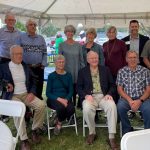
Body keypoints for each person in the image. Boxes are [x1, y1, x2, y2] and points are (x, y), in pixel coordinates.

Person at [0, 45, 46, 150]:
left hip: (26, 94)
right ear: (11, 55)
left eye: (21, 53)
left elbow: (34, 80)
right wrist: (5, 84)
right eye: (17, 54)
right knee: (18, 109)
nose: (20, 56)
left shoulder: (25, 66)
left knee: (41, 105)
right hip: (13, 95)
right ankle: (24, 139)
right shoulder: (3, 67)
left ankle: (35, 130)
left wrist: (32, 92)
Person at [77, 51, 118, 149]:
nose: (94, 60)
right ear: (87, 60)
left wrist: (108, 94)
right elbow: (78, 87)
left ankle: (111, 137)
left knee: (112, 106)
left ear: (98, 58)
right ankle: (92, 132)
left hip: (104, 97)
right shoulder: (82, 71)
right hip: (90, 97)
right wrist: (86, 96)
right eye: (91, 58)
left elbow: (113, 85)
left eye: (95, 57)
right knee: (86, 108)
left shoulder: (105, 69)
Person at [117, 50, 150, 135]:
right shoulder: (121, 71)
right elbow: (120, 89)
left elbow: (148, 90)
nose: (132, 60)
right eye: (130, 58)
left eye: (134, 57)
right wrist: (129, 100)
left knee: (148, 109)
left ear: (138, 59)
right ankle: (127, 129)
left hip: (143, 98)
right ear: (126, 59)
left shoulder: (145, 71)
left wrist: (139, 101)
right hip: (126, 99)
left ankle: (147, 132)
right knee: (120, 107)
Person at [18, 19, 47, 100]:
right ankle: (27, 109)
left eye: (34, 25)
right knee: (27, 87)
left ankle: (38, 105)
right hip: (26, 67)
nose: (33, 26)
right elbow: (18, 52)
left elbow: (45, 52)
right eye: (31, 24)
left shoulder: (41, 38)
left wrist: (43, 64)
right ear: (26, 26)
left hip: (39, 67)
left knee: (39, 87)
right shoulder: (21, 37)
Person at [46, 54, 75, 135]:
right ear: (55, 63)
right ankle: (59, 124)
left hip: (66, 98)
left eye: (63, 62)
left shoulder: (68, 75)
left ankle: (58, 120)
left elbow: (71, 91)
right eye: (59, 62)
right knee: (61, 108)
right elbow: (48, 93)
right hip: (54, 99)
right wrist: (60, 99)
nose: (61, 64)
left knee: (71, 109)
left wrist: (66, 99)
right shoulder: (51, 76)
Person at [59, 25, 85, 106]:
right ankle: (69, 111)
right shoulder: (61, 45)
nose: (69, 33)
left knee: (74, 92)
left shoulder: (78, 45)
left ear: (74, 33)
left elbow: (82, 60)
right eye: (68, 31)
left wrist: (83, 73)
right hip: (65, 73)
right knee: (67, 93)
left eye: (71, 31)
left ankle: (73, 112)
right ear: (65, 33)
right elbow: (59, 60)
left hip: (76, 72)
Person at [103, 26, 127, 103]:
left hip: (119, 72)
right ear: (107, 34)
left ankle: (118, 109)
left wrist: (124, 71)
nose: (111, 34)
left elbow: (125, 58)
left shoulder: (121, 43)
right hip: (108, 72)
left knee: (118, 91)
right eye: (109, 32)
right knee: (110, 90)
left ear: (116, 33)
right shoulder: (104, 44)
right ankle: (111, 108)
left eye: (113, 32)